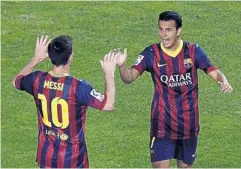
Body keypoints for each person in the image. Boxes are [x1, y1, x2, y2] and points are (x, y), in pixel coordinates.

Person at [114, 11, 233, 168]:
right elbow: (128, 78)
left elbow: (215, 72)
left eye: (168, 30)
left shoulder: (193, 51)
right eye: (161, 29)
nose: (163, 34)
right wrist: (122, 65)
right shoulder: (151, 53)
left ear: (178, 31)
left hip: (188, 125)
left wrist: (223, 81)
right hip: (162, 126)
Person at [12, 35, 117, 168]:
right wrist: (109, 73)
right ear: (70, 57)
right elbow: (108, 104)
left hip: (47, 158)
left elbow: (16, 81)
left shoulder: (36, 80)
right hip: (73, 160)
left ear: (49, 55)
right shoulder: (77, 87)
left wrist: (36, 58)